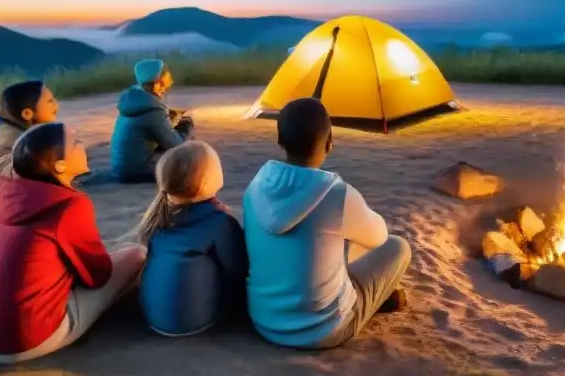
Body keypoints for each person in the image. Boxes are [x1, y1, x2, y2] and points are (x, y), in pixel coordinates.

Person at [0, 122, 146, 364]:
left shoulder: (2, 191)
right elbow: (97, 276)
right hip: (23, 342)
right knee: (136, 254)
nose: (82, 146)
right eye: (76, 143)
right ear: (60, 166)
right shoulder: (68, 205)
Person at [242, 97, 411, 349]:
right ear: (330, 143)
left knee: (329, 242)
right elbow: (379, 238)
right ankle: (370, 302)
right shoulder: (337, 194)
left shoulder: (254, 189)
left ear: (280, 141)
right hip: (323, 330)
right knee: (398, 247)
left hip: (264, 321)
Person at [135, 141, 248, 336]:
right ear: (205, 182)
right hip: (196, 320)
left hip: (154, 319)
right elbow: (238, 270)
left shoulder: (159, 217)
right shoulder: (219, 222)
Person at [0, 80, 59, 239]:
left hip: (2, 221)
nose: (56, 105)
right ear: (27, 114)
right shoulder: (8, 145)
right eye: (50, 101)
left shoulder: (14, 135)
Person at [110, 59, 194, 183]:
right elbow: (175, 145)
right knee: (190, 158)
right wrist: (186, 125)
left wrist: (167, 121)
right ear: (158, 81)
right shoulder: (153, 110)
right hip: (139, 170)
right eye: (166, 74)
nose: (170, 77)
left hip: (121, 169)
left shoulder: (135, 101)